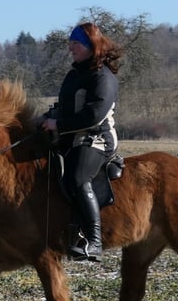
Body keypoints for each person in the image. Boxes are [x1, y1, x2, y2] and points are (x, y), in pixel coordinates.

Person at [41, 22, 122, 262]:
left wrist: (59, 125)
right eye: (70, 43)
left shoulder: (103, 77)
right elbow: (65, 107)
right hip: (71, 139)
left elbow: (93, 115)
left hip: (96, 139)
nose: (71, 48)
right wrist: (47, 118)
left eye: (76, 43)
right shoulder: (74, 73)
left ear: (90, 46)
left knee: (77, 178)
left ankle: (93, 241)